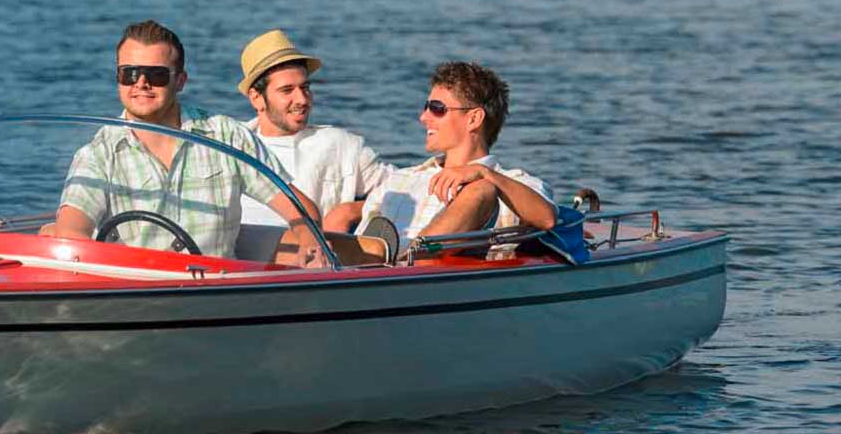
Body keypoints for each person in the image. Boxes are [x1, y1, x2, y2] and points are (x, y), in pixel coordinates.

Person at [40, 20, 326, 265]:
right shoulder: (98, 154)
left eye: (156, 75)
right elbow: (72, 231)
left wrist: (308, 241)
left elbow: (299, 208)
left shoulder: (226, 136)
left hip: (219, 295)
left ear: (181, 81)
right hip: (134, 294)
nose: (141, 83)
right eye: (129, 73)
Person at [326, 61, 559, 255]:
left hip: (433, 278)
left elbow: (547, 219)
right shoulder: (401, 179)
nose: (423, 117)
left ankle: (411, 260)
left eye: (437, 108)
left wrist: (485, 174)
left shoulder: (509, 182)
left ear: (473, 119)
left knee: (481, 191)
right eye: (426, 107)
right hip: (372, 273)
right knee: (301, 232)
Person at [235, 29, 394, 229]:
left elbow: (404, 190)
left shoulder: (341, 145)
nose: (302, 99)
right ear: (256, 98)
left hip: (311, 257)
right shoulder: (230, 145)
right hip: (237, 257)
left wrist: (349, 212)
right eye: (287, 90)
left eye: (305, 88)